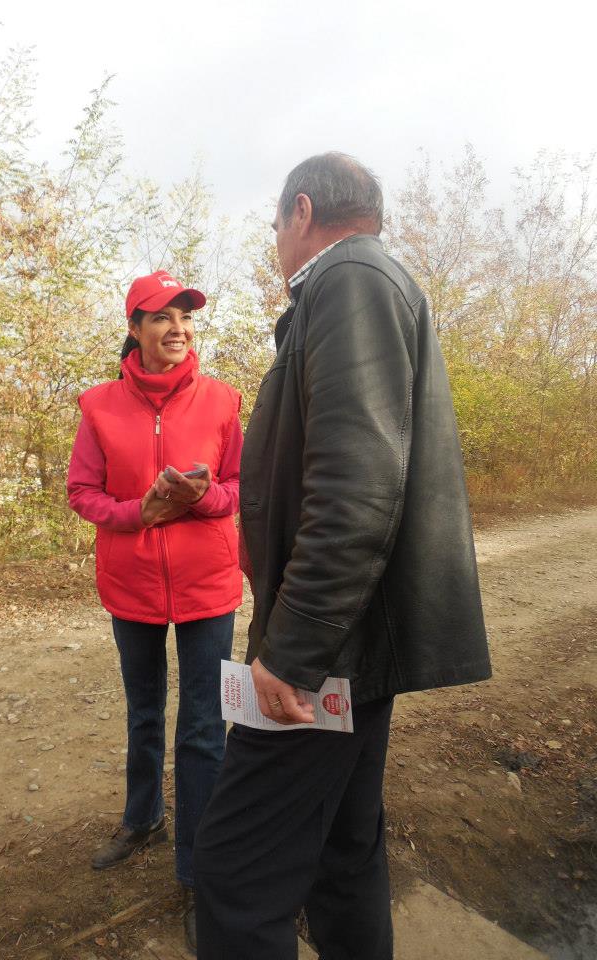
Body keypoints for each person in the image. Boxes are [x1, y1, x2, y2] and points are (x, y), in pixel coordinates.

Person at [192, 153, 492, 960]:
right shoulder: (359, 284)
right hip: (348, 642)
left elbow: (357, 489)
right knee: (341, 851)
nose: (275, 243)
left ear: (301, 211)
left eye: (274, 226)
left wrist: (291, 652)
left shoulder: (348, 280)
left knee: (236, 870)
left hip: (326, 651)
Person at [67, 269, 242, 954]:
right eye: (163, 317)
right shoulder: (99, 406)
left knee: (203, 729)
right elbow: (82, 492)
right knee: (144, 712)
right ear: (135, 328)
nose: (178, 328)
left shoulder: (223, 400)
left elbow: (241, 486)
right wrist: (135, 514)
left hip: (207, 586)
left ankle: (199, 874)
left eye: (186, 317)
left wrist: (204, 499)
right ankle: (143, 820)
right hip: (132, 583)